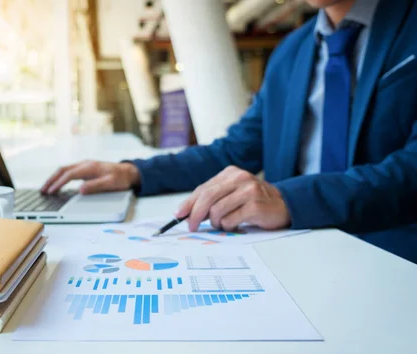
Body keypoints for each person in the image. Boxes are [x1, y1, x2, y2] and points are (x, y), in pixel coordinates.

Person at [42, 0, 417, 263]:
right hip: (296, 258)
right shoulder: (291, 53)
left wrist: (290, 200)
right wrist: (135, 172)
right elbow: (233, 151)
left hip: (393, 261)